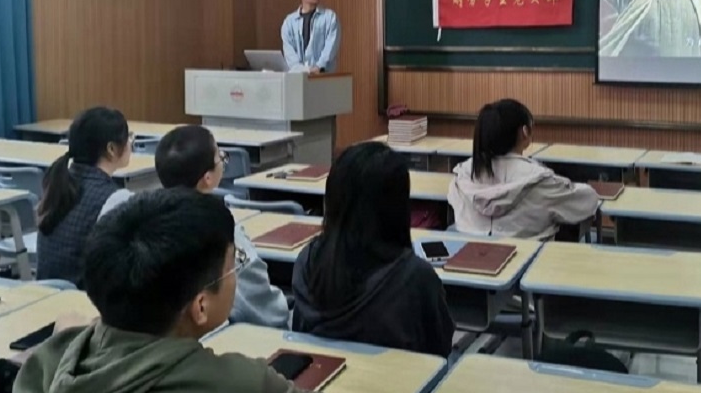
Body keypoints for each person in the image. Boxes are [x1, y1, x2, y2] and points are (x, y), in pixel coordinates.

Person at [5, 189, 344, 393]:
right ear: (200, 305)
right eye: (234, 263)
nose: (237, 272)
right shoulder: (240, 387)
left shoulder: (44, 366)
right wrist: (272, 387)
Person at [99, 125, 289, 329]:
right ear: (208, 179)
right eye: (220, 157)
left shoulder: (137, 221)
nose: (222, 160)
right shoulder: (223, 231)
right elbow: (266, 310)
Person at [292, 142, 454, 358]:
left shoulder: (308, 261)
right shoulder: (417, 278)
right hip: (397, 380)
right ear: (398, 207)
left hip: (322, 376)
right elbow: (440, 349)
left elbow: (299, 333)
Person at [448, 99, 599, 240]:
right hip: (530, 256)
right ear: (525, 132)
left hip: (469, 253)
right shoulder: (540, 180)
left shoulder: (461, 176)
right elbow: (587, 201)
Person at [37, 107, 130, 285]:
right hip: (84, 296)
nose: (130, 143)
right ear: (111, 149)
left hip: (45, 292)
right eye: (128, 138)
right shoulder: (116, 198)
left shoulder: (59, 182)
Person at [281, 0, 341, 73]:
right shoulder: (289, 22)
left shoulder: (329, 17)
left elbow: (331, 47)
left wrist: (318, 67)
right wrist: (302, 70)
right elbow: (289, 51)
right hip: (298, 76)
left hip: (323, 75)